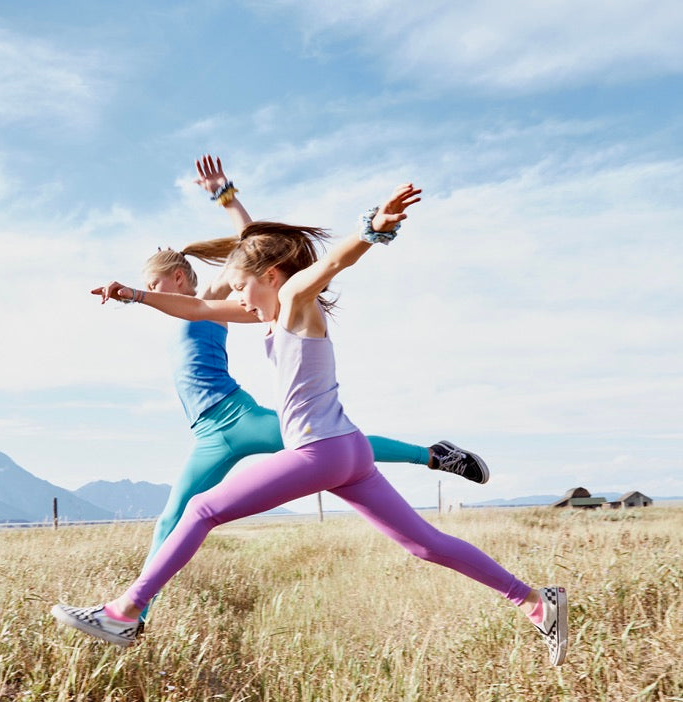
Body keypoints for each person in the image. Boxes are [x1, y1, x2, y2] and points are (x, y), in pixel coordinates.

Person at [52, 181, 568, 665]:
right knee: (424, 544)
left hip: (320, 452)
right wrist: (136, 295)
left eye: (243, 287)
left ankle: (124, 613)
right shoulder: (269, 311)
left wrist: (371, 230)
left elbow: (331, 264)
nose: (238, 299)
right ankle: (534, 601)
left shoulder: (297, 301)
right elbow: (201, 304)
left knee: (202, 509)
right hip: (349, 452)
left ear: (271, 277)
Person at [136, 156, 488, 625]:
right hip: (206, 433)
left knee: (333, 444)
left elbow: (253, 249)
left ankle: (432, 455)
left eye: (152, 283)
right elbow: (251, 259)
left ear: (177, 278)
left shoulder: (217, 297)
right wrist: (137, 294)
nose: (148, 289)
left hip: (236, 417)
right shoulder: (204, 305)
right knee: (173, 515)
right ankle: (136, 613)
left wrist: (226, 197)